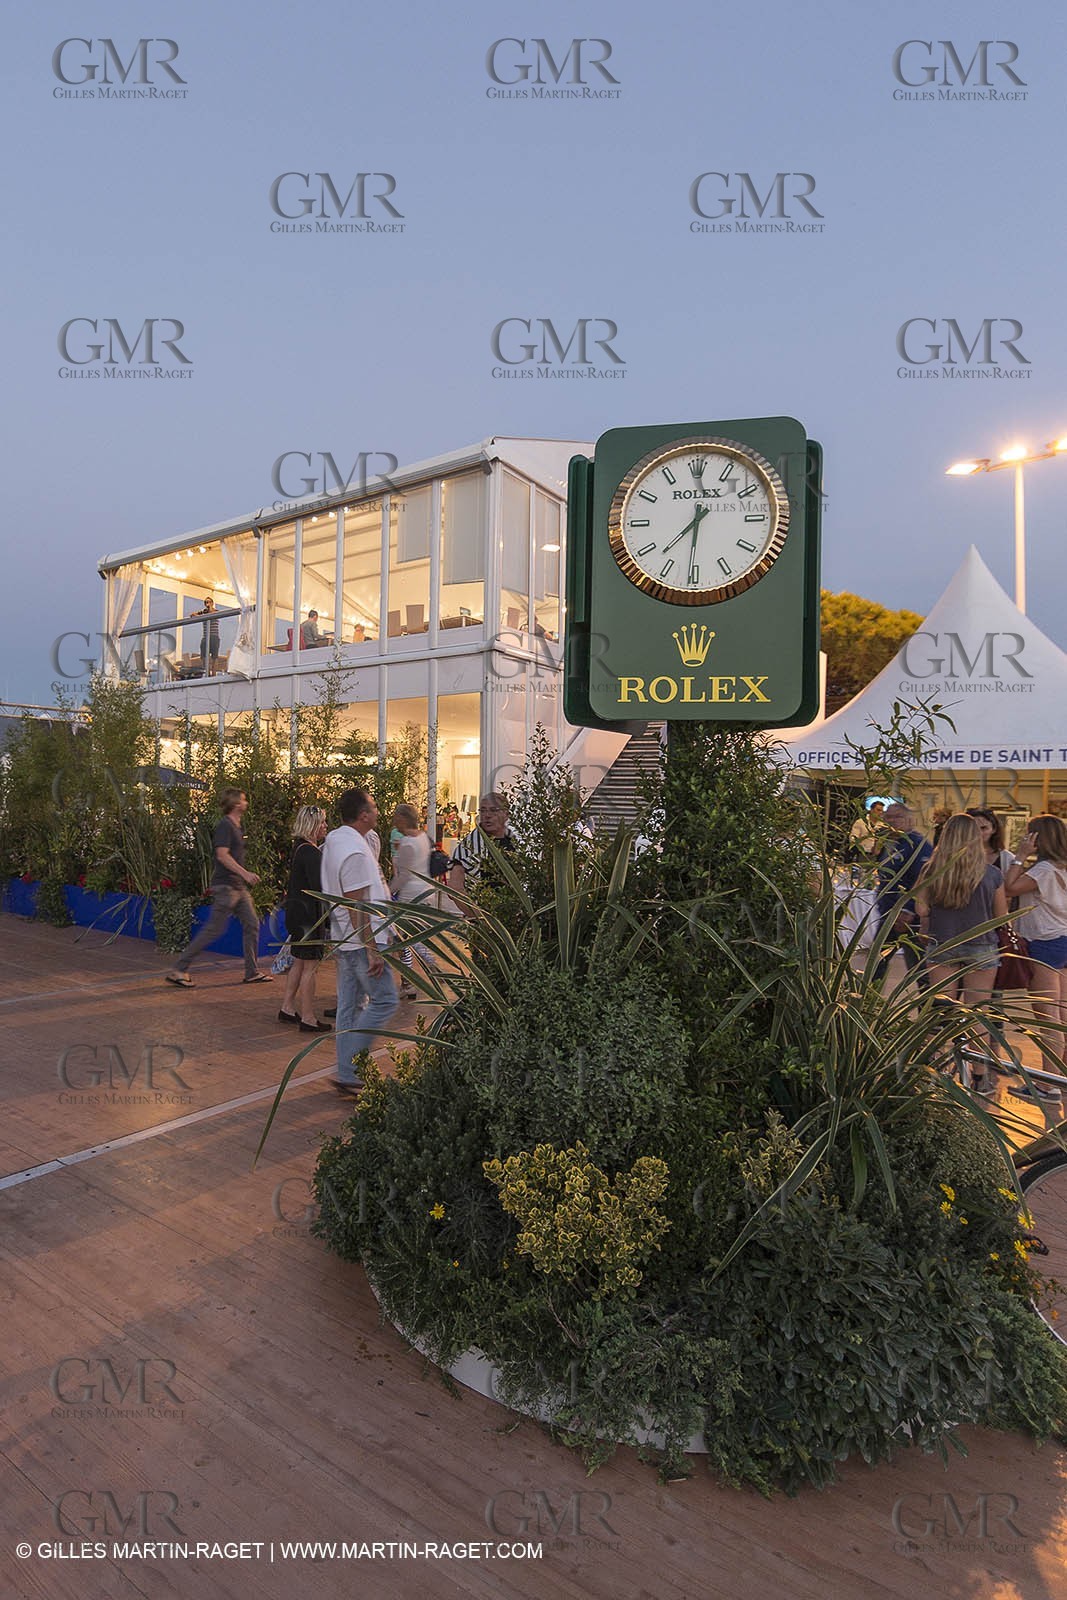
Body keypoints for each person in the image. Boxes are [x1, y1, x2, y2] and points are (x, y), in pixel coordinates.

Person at [915, 813, 1007, 1095]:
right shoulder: (991, 873)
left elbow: (921, 910)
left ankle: (931, 1070)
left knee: (941, 1010)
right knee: (977, 1012)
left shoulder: (930, 870)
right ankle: (979, 1076)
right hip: (982, 947)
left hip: (943, 944)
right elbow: (1001, 916)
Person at [320, 788, 399, 1096]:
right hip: (360, 942)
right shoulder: (352, 850)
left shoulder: (338, 840)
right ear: (364, 814)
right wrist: (372, 950)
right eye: (375, 806)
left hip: (346, 940)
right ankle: (349, 1067)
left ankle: (348, 1073)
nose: (379, 812)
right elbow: (357, 906)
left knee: (350, 1006)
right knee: (385, 1000)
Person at [166, 789, 271, 987]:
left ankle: (252, 972)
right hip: (226, 887)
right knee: (214, 929)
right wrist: (245, 873)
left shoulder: (237, 826)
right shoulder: (225, 826)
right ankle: (179, 969)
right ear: (236, 804)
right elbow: (222, 855)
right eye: (244, 799)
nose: (246, 802)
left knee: (252, 924)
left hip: (238, 887)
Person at [1004, 815, 1067, 1101]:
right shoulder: (1062, 867)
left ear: (1037, 838)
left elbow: (1009, 888)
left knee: (1047, 1016)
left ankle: (1047, 1084)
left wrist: (1019, 857)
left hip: (1045, 942)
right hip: (1063, 937)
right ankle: (1059, 1077)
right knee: (1062, 1013)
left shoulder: (1042, 870)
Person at [278, 806, 331, 1033]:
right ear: (313, 825)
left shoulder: (299, 848)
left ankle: (287, 1007)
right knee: (310, 966)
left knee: (299, 961)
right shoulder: (311, 853)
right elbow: (320, 888)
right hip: (310, 918)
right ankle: (308, 1017)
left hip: (297, 915)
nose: (325, 827)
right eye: (322, 823)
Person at [873, 803, 932, 986]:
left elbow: (923, 879)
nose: (890, 821)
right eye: (887, 817)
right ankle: (867, 1003)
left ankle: (931, 1009)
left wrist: (907, 910)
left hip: (908, 917)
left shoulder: (918, 844)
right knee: (876, 963)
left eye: (896, 817)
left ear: (909, 819)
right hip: (888, 913)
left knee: (919, 969)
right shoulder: (891, 843)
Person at [390, 802, 437, 999]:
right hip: (426, 892)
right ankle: (421, 971)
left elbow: (403, 876)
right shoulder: (424, 838)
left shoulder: (408, 843)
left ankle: (420, 973)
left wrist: (387, 892)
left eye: (395, 818)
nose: (393, 822)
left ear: (402, 819)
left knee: (404, 940)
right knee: (409, 939)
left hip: (410, 896)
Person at [447, 792, 515, 900]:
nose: (487, 815)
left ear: (506, 814)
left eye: (493, 810)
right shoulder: (468, 847)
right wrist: (477, 915)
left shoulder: (516, 843)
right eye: (483, 810)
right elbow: (454, 889)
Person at [192, 596, 220, 676]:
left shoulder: (216, 611)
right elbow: (193, 615)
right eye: (206, 602)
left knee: (215, 657)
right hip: (205, 637)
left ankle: (214, 674)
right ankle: (208, 673)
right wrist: (199, 615)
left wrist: (205, 612)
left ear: (212, 603)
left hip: (214, 636)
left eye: (208, 602)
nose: (207, 604)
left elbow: (212, 614)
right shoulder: (203, 612)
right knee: (203, 656)